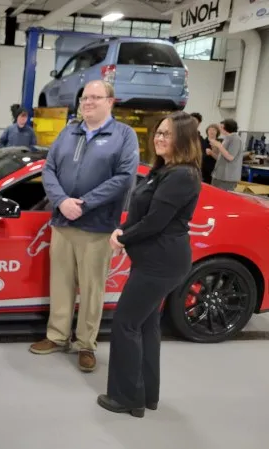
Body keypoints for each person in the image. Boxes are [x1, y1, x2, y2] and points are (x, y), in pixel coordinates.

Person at [98, 111, 202, 418]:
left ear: (183, 139)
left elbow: (156, 221)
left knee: (126, 324)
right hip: (154, 260)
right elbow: (144, 213)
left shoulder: (182, 175)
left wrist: (123, 238)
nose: (159, 137)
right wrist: (126, 232)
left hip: (160, 263)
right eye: (158, 132)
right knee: (145, 325)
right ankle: (146, 395)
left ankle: (126, 398)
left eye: (167, 134)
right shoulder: (165, 170)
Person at [30, 80, 139, 373]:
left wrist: (84, 203)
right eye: (84, 98)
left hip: (98, 227)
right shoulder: (69, 132)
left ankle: (86, 344)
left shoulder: (123, 136)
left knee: (92, 289)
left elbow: (125, 178)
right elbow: (48, 169)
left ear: (110, 101)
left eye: (95, 97)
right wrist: (62, 201)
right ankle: (57, 336)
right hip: (63, 223)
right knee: (61, 284)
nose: (87, 102)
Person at [209, 119, 244, 191]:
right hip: (219, 175)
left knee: (222, 199)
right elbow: (221, 156)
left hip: (227, 177)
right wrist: (215, 148)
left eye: (221, 127)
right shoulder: (227, 138)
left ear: (228, 127)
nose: (220, 129)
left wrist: (219, 146)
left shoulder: (235, 139)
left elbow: (230, 157)